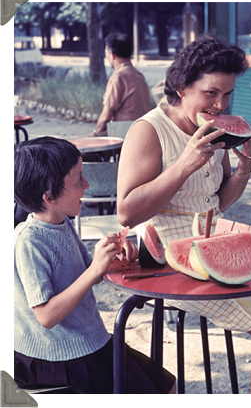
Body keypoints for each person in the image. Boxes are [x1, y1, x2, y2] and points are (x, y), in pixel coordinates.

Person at [117, 34, 251, 394]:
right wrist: (183, 166)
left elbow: (216, 202)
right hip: (168, 260)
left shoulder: (213, 130)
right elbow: (126, 213)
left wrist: (245, 169)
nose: (221, 104)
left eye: (228, 94)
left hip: (211, 239)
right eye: (211, 93)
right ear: (181, 87)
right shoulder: (149, 131)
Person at [14, 137, 175, 394]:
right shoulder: (29, 241)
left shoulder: (62, 222)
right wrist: (93, 271)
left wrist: (112, 260)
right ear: (49, 196)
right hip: (58, 357)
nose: (87, 185)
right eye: (78, 179)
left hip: (90, 339)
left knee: (167, 386)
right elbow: (46, 316)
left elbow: (90, 274)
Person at [89, 33, 151, 137]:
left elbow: (105, 117)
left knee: (85, 149)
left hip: (125, 133)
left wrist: (95, 135)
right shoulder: (139, 75)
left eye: (106, 53)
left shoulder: (118, 77)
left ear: (111, 54)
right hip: (143, 131)